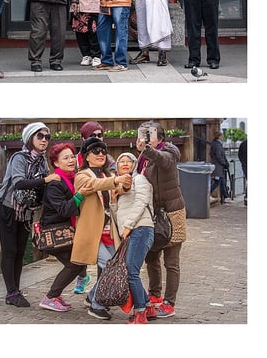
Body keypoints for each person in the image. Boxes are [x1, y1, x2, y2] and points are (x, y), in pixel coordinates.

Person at [0, 122, 53, 307]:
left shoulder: (42, 160)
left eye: (47, 137)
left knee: (20, 251)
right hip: (7, 206)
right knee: (10, 250)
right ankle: (11, 292)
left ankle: (15, 290)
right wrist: (45, 179)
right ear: (30, 138)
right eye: (40, 136)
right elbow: (18, 183)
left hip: (25, 210)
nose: (44, 140)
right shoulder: (19, 158)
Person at [71, 138, 129, 319]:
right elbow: (92, 185)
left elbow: (118, 188)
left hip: (108, 231)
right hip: (91, 232)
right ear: (86, 156)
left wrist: (126, 184)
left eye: (103, 151)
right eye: (96, 151)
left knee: (115, 266)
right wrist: (116, 180)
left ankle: (92, 297)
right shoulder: (82, 176)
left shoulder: (105, 176)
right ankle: (95, 304)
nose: (101, 154)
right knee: (110, 265)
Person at [137, 121, 186, 317]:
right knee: (151, 257)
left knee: (171, 261)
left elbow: (163, 160)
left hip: (173, 212)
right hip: (153, 213)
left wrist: (147, 150)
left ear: (161, 137)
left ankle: (169, 303)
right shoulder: (142, 157)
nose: (145, 137)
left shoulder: (170, 151)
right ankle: (155, 295)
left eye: (150, 133)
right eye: (143, 133)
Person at [102, 148, 152, 323]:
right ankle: (148, 306)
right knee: (131, 271)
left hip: (141, 229)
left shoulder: (139, 179)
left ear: (134, 165)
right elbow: (117, 217)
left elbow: (141, 202)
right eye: (121, 161)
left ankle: (140, 313)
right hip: (131, 231)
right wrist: (113, 202)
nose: (124, 163)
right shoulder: (119, 187)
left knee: (131, 272)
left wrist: (129, 225)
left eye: (128, 161)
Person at [36, 142, 86, 312]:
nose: (71, 160)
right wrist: (80, 195)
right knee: (75, 264)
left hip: (64, 230)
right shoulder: (55, 184)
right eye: (66, 158)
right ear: (56, 163)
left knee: (77, 264)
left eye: (72, 156)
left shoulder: (72, 178)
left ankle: (55, 295)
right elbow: (64, 209)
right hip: (55, 232)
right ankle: (50, 297)